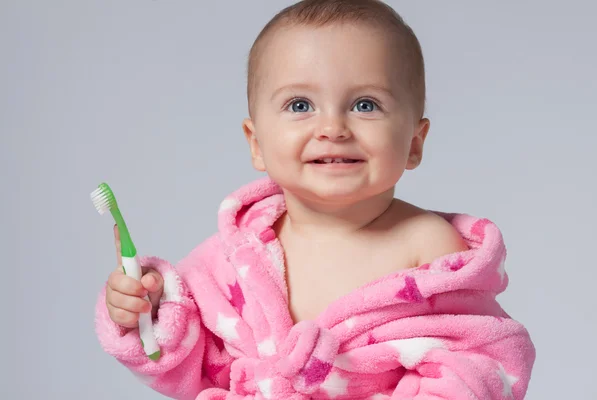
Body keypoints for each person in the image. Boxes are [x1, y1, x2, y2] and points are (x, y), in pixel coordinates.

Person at [95, 1, 536, 399]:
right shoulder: (234, 257)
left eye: (365, 105)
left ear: (414, 143)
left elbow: (477, 364)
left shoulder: (429, 248)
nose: (333, 127)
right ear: (257, 144)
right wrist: (148, 316)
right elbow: (191, 368)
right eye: (300, 105)